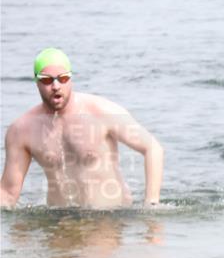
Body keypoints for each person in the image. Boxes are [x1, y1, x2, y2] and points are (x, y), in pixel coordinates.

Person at [1, 48, 164, 208]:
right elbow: (8, 194)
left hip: (108, 221)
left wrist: (151, 205)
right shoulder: (21, 130)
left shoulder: (102, 112)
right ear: (36, 82)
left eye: (63, 78)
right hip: (58, 224)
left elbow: (153, 148)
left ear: (71, 78)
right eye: (47, 80)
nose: (56, 86)